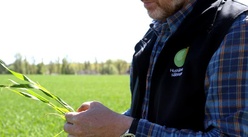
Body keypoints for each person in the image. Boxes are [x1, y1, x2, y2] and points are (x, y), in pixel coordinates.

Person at [64, 0, 248, 136]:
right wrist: (103, 125)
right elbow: (146, 116)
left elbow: (229, 134)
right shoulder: (152, 37)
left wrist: (124, 127)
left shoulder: (235, 30)